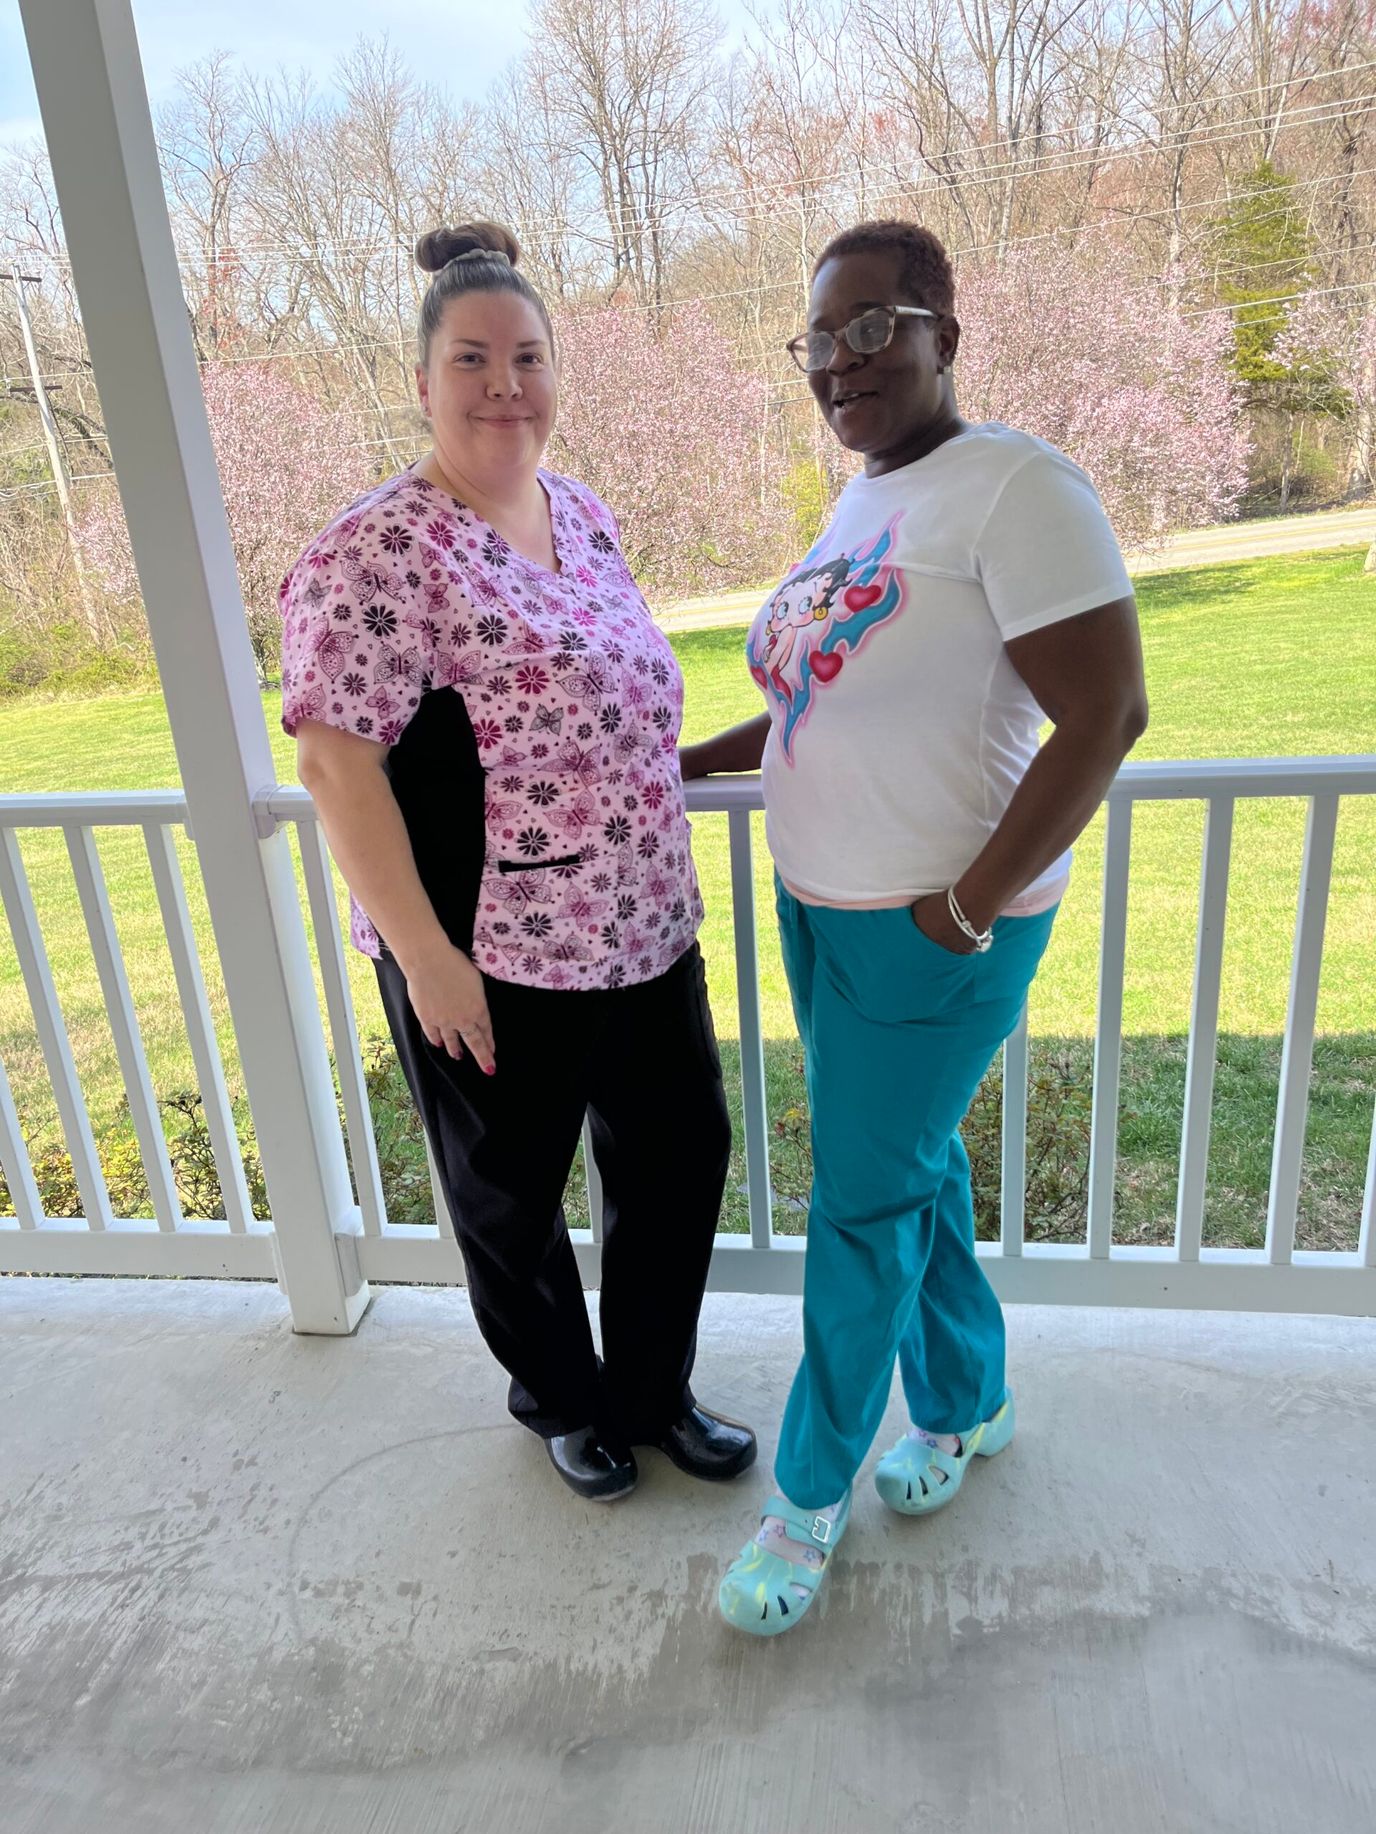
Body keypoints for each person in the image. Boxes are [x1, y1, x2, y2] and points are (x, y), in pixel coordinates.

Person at [680, 220, 1148, 1634]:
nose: (841, 362)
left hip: (930, 931)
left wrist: (966, 903)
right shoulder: (866, 500)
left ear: (945, 329)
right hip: (822, 912)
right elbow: (822, 694)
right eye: (819, 341)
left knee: (860, 1208)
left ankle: (806, 1500)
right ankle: (970, 1397)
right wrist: (696, 762)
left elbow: (1106, 714)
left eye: (873, 327)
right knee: (911, 1172)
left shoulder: (1013, 486)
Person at [278, 221, 755, 1503]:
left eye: (528, 357)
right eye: (472, 359)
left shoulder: (580, 512)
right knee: (510, 1194)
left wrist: (692, 757)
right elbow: (335, 768)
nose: (505, 385)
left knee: (679, 1157)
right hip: (489, 949)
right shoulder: (377, 551)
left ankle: (651, 1391)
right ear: (421, 381)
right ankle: (560, 1396)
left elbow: (602, 706)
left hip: (641, 919)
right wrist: (426, 959)